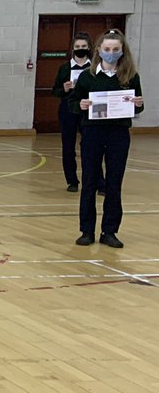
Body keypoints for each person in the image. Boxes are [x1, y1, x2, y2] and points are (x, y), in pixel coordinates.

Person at [71, 29, 144, 248]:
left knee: (114, 183)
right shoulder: (88, 76)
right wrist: (81, 105)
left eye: (115, 49)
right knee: (90, 182)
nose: (111, 53)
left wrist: (138, 104)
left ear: (122, 51)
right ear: (99, 50)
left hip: (118, 134)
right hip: (92, 133)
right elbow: (72, 103)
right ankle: (87, 230)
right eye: (107, 49)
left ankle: (109, 231)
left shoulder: (130, 77)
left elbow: (137, 106)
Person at [51, 31, 100, 193]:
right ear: (72, 48)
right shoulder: (65, 68)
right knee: (68, 146)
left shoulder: (94, 68)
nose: (80, 49)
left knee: (91, 146)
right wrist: (63, 89)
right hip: (68, 110)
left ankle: (98, 181)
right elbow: (55, 91)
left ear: (89, 48)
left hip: (88, 111)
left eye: (84, 46)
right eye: (77, 47)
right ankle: (72, 181)